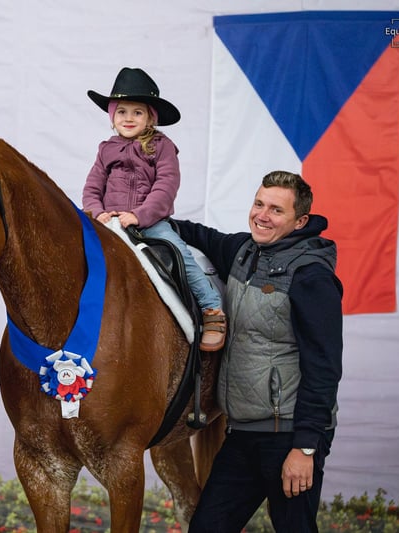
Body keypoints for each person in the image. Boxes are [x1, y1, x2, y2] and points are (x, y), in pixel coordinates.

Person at [177, 171, 344, 532]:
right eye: (258, 204)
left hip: (289, 436)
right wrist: (142, 219)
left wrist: (305, 449)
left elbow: (324, 368)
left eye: (276, 210)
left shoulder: (311, 277)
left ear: (300, 221)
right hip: (242, 432)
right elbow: (198, 234)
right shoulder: (243, 252)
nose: (262, 216)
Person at [82, 66, 226, 351]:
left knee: (180, 255)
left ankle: (212, 309)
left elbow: (166, 186)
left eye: (137, 112)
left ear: (150, 118)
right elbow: (91, 188)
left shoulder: (162, 147)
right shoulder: (106, 150)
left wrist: (139, 215)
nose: (128, 118)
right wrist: (98, 213)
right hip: (110, 223)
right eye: (122, 112)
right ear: (112, 116)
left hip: (150, 223)